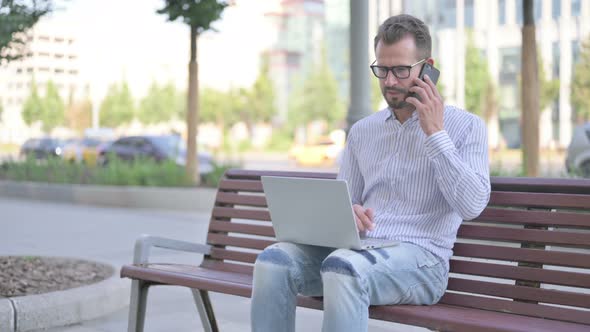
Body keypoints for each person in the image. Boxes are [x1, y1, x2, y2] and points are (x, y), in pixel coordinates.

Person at [250, 14, 491, 332]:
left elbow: (473, 205)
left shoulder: (467, 127)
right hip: (361, 253)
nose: (390, 81)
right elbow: (343, 204)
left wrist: (435, 134)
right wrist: (348, 213)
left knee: (343, 267)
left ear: (427, 66)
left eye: (401, 70)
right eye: (382, 69)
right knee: (273, 261)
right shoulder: (363, 131)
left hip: (423, 262)